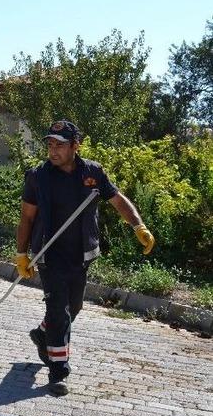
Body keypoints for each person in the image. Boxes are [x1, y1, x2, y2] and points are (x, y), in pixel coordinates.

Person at [15, 120, 155, 396]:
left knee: (73, 308)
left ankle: (44, 334)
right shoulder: (38, 176)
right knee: (58, 310)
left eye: (60, 145)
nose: (53, 151)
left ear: (75, 146)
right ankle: (58, 370)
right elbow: (27, 217)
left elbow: (118, 200)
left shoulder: (92, 173)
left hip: (81, 253)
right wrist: (21, 253)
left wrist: (139, 226)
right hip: (48, 253)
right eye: (50, 144)